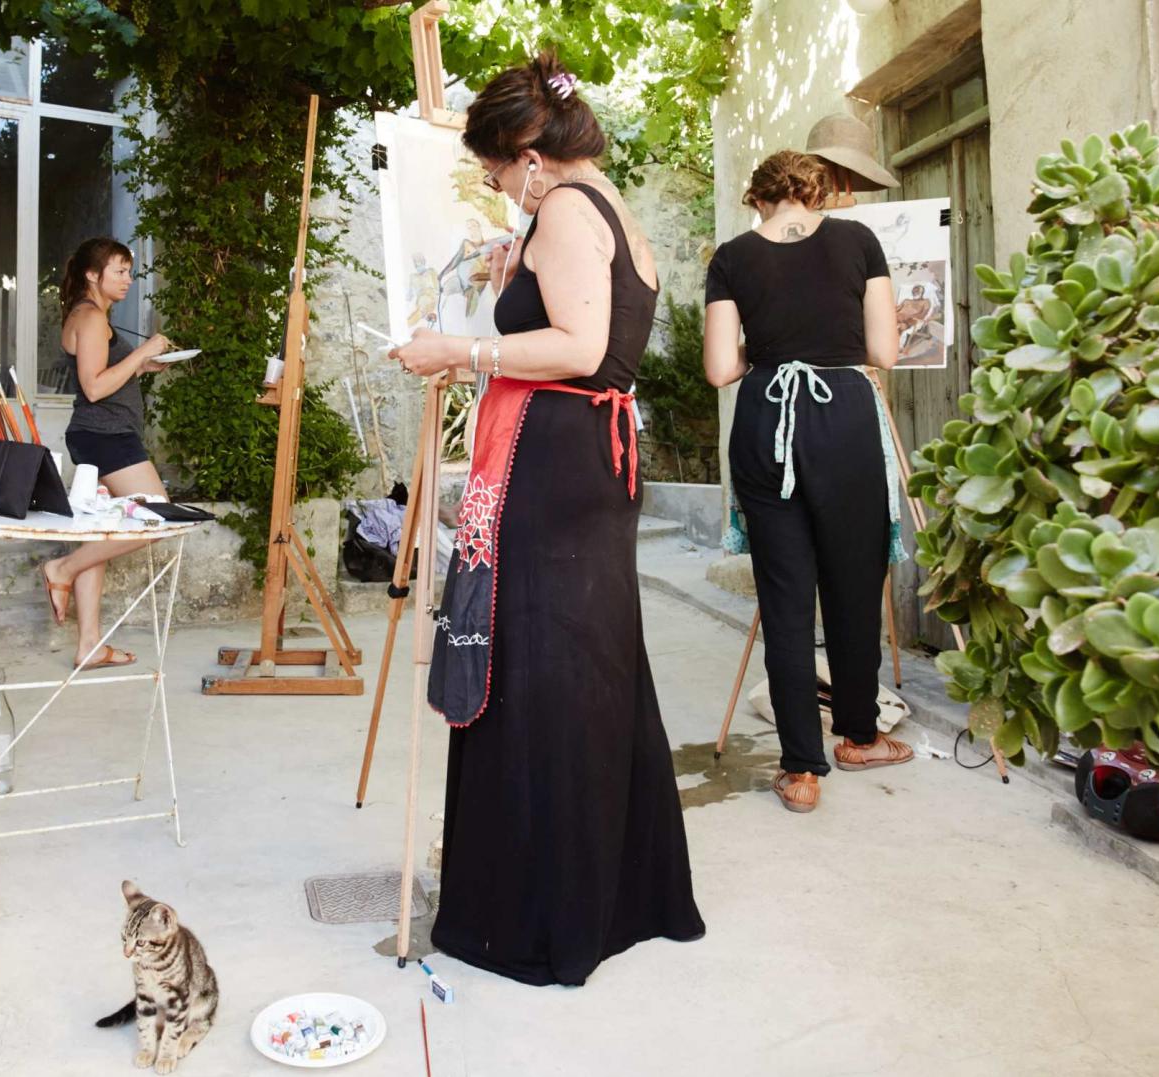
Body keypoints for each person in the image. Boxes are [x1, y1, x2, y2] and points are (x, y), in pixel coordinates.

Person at [389, 53, 705, 987]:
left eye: (493, 168)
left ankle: (538, 913)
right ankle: (614, 893)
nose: (492, 185)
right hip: (585, 458)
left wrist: (463, 346)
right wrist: (509, 270)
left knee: (538, 664)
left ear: (531, 154)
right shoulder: (606, 209)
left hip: (555, 458)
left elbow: (580, 344)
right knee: (585, 661)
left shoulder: (566, 210)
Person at [703, 149, 912, 815]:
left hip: (766, 415)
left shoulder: (732, 256)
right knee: (853, 585)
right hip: (843, 412)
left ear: (761, 197)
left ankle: (800, 770)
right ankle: (858, 735)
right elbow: (882, 352)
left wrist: (768, 350)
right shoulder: (857, 239)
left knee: (786, 596)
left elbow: (717, 369)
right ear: (813, 193)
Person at [40, 237, 171, 670]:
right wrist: (141, 353)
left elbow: (104, 375)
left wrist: (141, 364)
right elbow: (95, 388)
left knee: (100, 531)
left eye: (129, 272)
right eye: (119, 271)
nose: (128, 280)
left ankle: (90, 645)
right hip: (107, 435)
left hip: (99, 434)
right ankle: (62, 569)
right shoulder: (92, 317)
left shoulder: (89, 315)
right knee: (156, 519)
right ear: (94, 275)